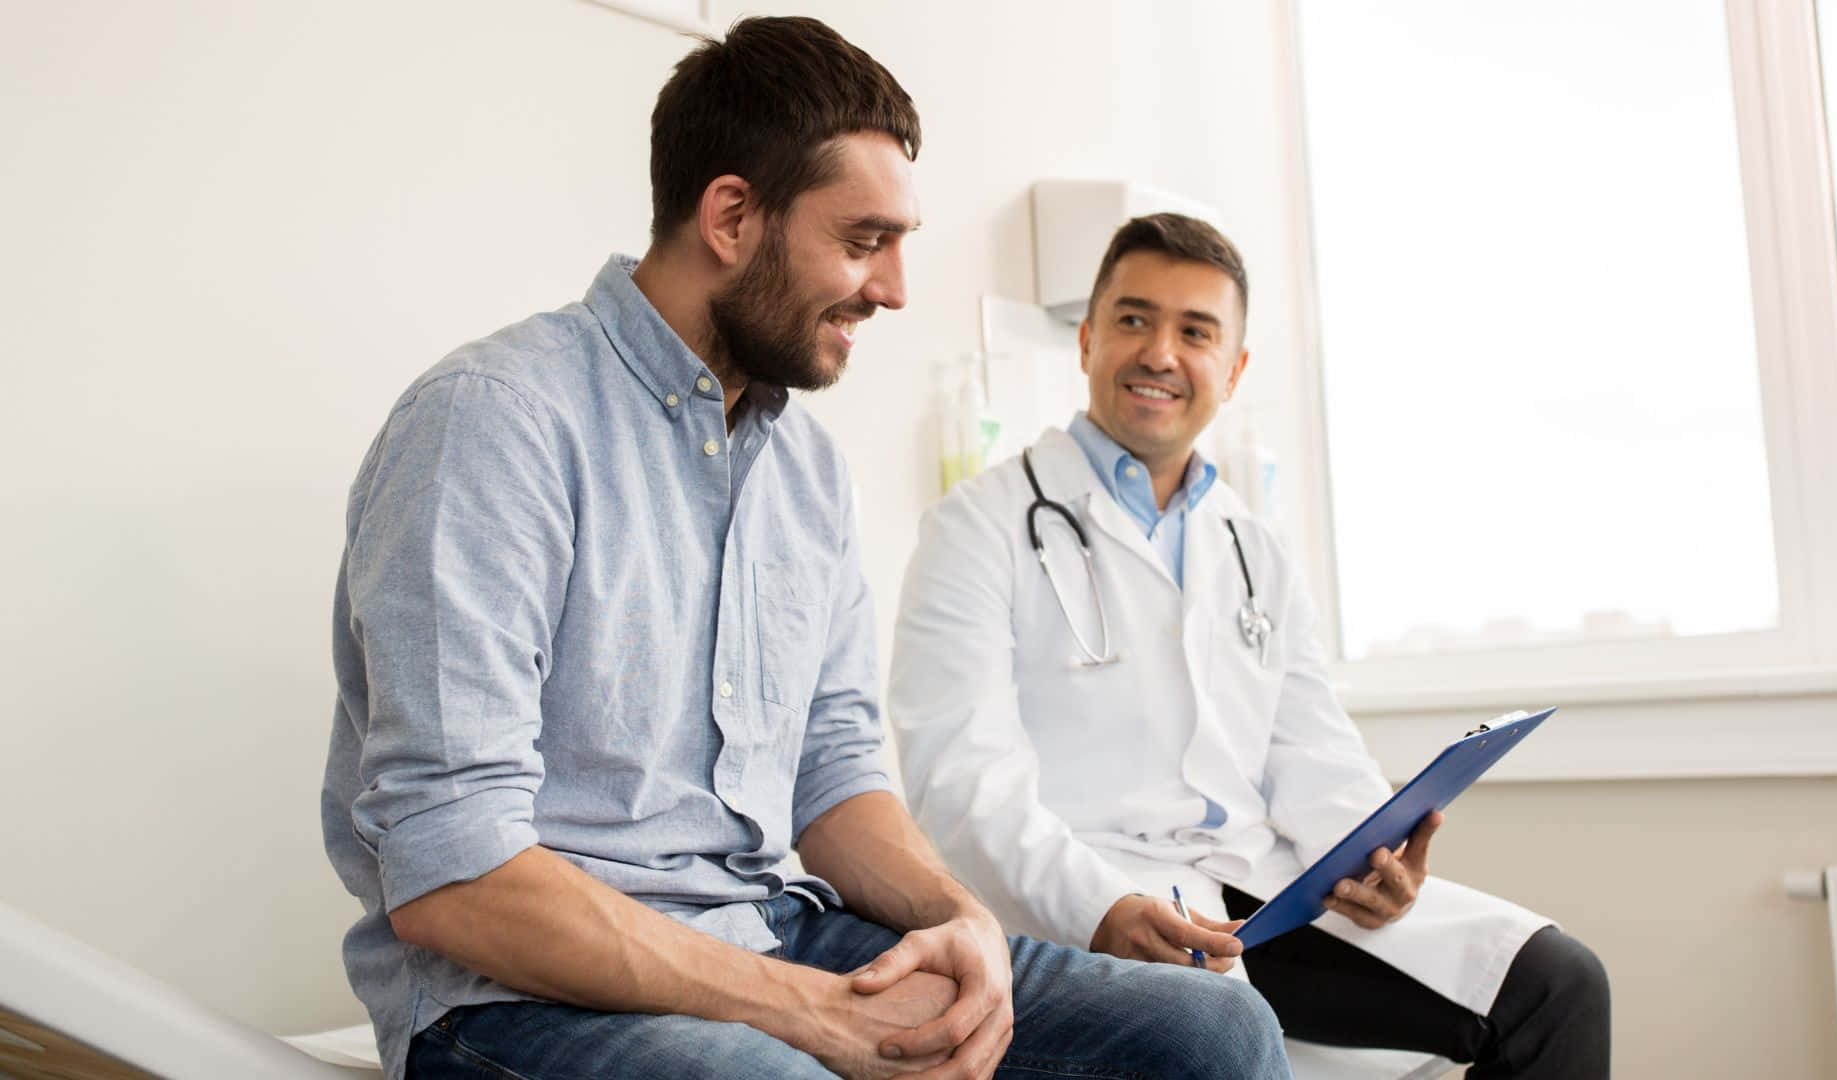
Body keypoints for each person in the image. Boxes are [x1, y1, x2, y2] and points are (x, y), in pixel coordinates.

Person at [319, 21, 1290, 1080]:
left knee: (1212, 1032)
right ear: (732, 216)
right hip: (512, 1003)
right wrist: (807, 1016)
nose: (895, 288)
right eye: (866, 240)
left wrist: (959, 920)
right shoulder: (495, 422)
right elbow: (455, 875)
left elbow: (831, 773)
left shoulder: (805, 472)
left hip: (771, 929)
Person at [890, 213, 1611, 1078]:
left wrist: (1371, 857)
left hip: (1263, 897)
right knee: (1213, 1037)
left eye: (1195, 332)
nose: (1160, 351)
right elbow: (960, 782)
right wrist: (1099, 905)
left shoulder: (1253, 545)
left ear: (1232, 371)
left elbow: (1310, 749)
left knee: (1559, 982)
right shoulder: (976, 528)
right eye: (1132, 319)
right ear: (1085, 341)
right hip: (1089, 903)